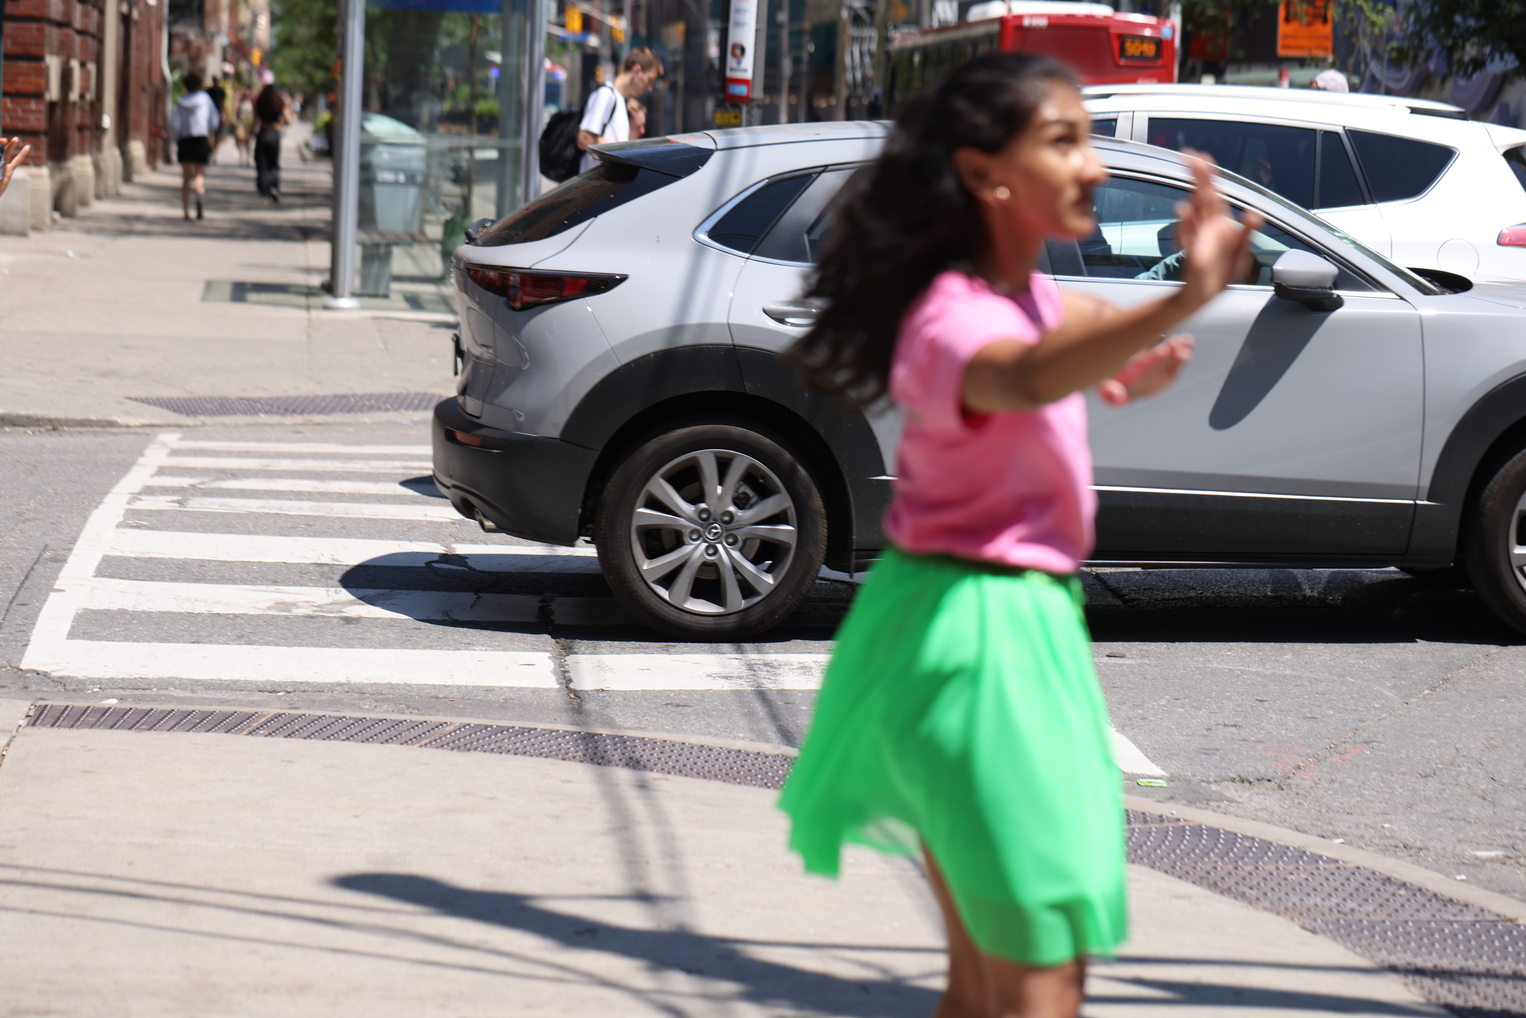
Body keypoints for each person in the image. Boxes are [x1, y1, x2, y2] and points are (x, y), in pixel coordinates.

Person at [779, 53, 1255, 1018]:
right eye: (1064, 142)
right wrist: (1181, 298)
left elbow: (1075, 347)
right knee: (1042, 978)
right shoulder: (947, 322)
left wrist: (1141, 357)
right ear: (989, 174)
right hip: (973, 637)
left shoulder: (1029, 297)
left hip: (1015, 630)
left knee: (991, 982)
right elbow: (1028, 374)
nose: (1097, 165)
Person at [575, 48, 662, 173]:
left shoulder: (620, 99)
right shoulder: (606, 94)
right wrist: (619, 151)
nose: (649, 88)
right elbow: (584, 138)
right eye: (649, 80)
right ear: (637, 71)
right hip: (595, 187)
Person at [170, 72, 220, 220]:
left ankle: (186, 211)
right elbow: (214, 121)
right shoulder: (206, 100)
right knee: (199, 175)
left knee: (186, 178)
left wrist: (176, 139)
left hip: (185, 140)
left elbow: (174, 125)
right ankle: (199, 199)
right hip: (201, 139)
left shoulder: (180, 102)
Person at [253, 85, 290, 203]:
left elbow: (255, 120)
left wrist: (250, 134)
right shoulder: (279, 102)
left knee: (262, 162)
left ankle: (264, 189)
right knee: (273, 162)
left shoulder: (259, 102)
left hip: (263, 132)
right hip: (275, 134)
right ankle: (274, 186)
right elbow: (289, 120)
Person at [206, 77, 228, 161]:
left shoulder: (221, 92)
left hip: (218, 115)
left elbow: (223, 104)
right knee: (211, 134)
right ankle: (211, 152)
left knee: (218, 136)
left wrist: (224, 115)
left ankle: (214, 151)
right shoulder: (208, 91)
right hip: (210, 115)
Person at [233, 90, 256, 167]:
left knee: (249, 142)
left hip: (249, 124)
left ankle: (249, 158)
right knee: (240, 140)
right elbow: (235, 111)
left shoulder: (252, 103)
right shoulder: (240, 102)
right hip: (241, 123)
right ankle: (242, 157)